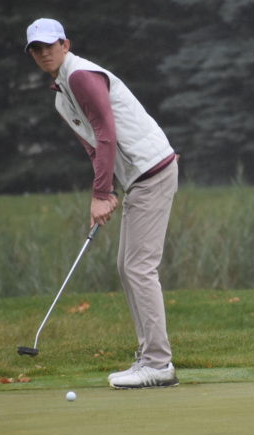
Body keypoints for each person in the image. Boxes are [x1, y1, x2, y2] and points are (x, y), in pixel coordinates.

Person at [25, 18, 179, 389]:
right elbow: (96, 148)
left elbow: (107, 133)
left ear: (65, 44)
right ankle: (150, 358)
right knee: (129, 267)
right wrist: (106, 192)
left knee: (138, 268)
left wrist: (99, 193)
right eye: (36, 48)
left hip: (151, 172)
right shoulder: (62, 95)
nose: (44, 53)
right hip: (137, 178)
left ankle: (158, 363)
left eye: (49, 45)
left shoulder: (80, 76)